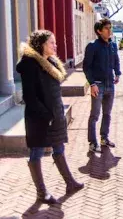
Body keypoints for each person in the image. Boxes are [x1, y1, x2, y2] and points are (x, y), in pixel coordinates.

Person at [17, 30, 84, 204]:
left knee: (59, 147)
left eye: (55, 42)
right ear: (41, 45)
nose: (55, 45)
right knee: (37, 152)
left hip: (55, 115)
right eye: (51, 43)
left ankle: (70, 182)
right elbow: (29, 97)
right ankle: (42, 193)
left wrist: (57, 113)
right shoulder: (29, 64)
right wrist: (46, 115)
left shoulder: (51, 62)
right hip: (39, 118)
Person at [83, 18, 121, 153]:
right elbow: (86, 67)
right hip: (98, 86)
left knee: (107, 114)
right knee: (94, 115)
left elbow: (116, 60)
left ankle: (104, 138)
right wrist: (92, 84)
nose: (109, 30)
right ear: (99, 31)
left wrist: (117, 73)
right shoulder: (92, 46)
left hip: (110, 85)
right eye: (106, 28)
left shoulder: (112, 45)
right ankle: (93, 143)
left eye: (110, 27)